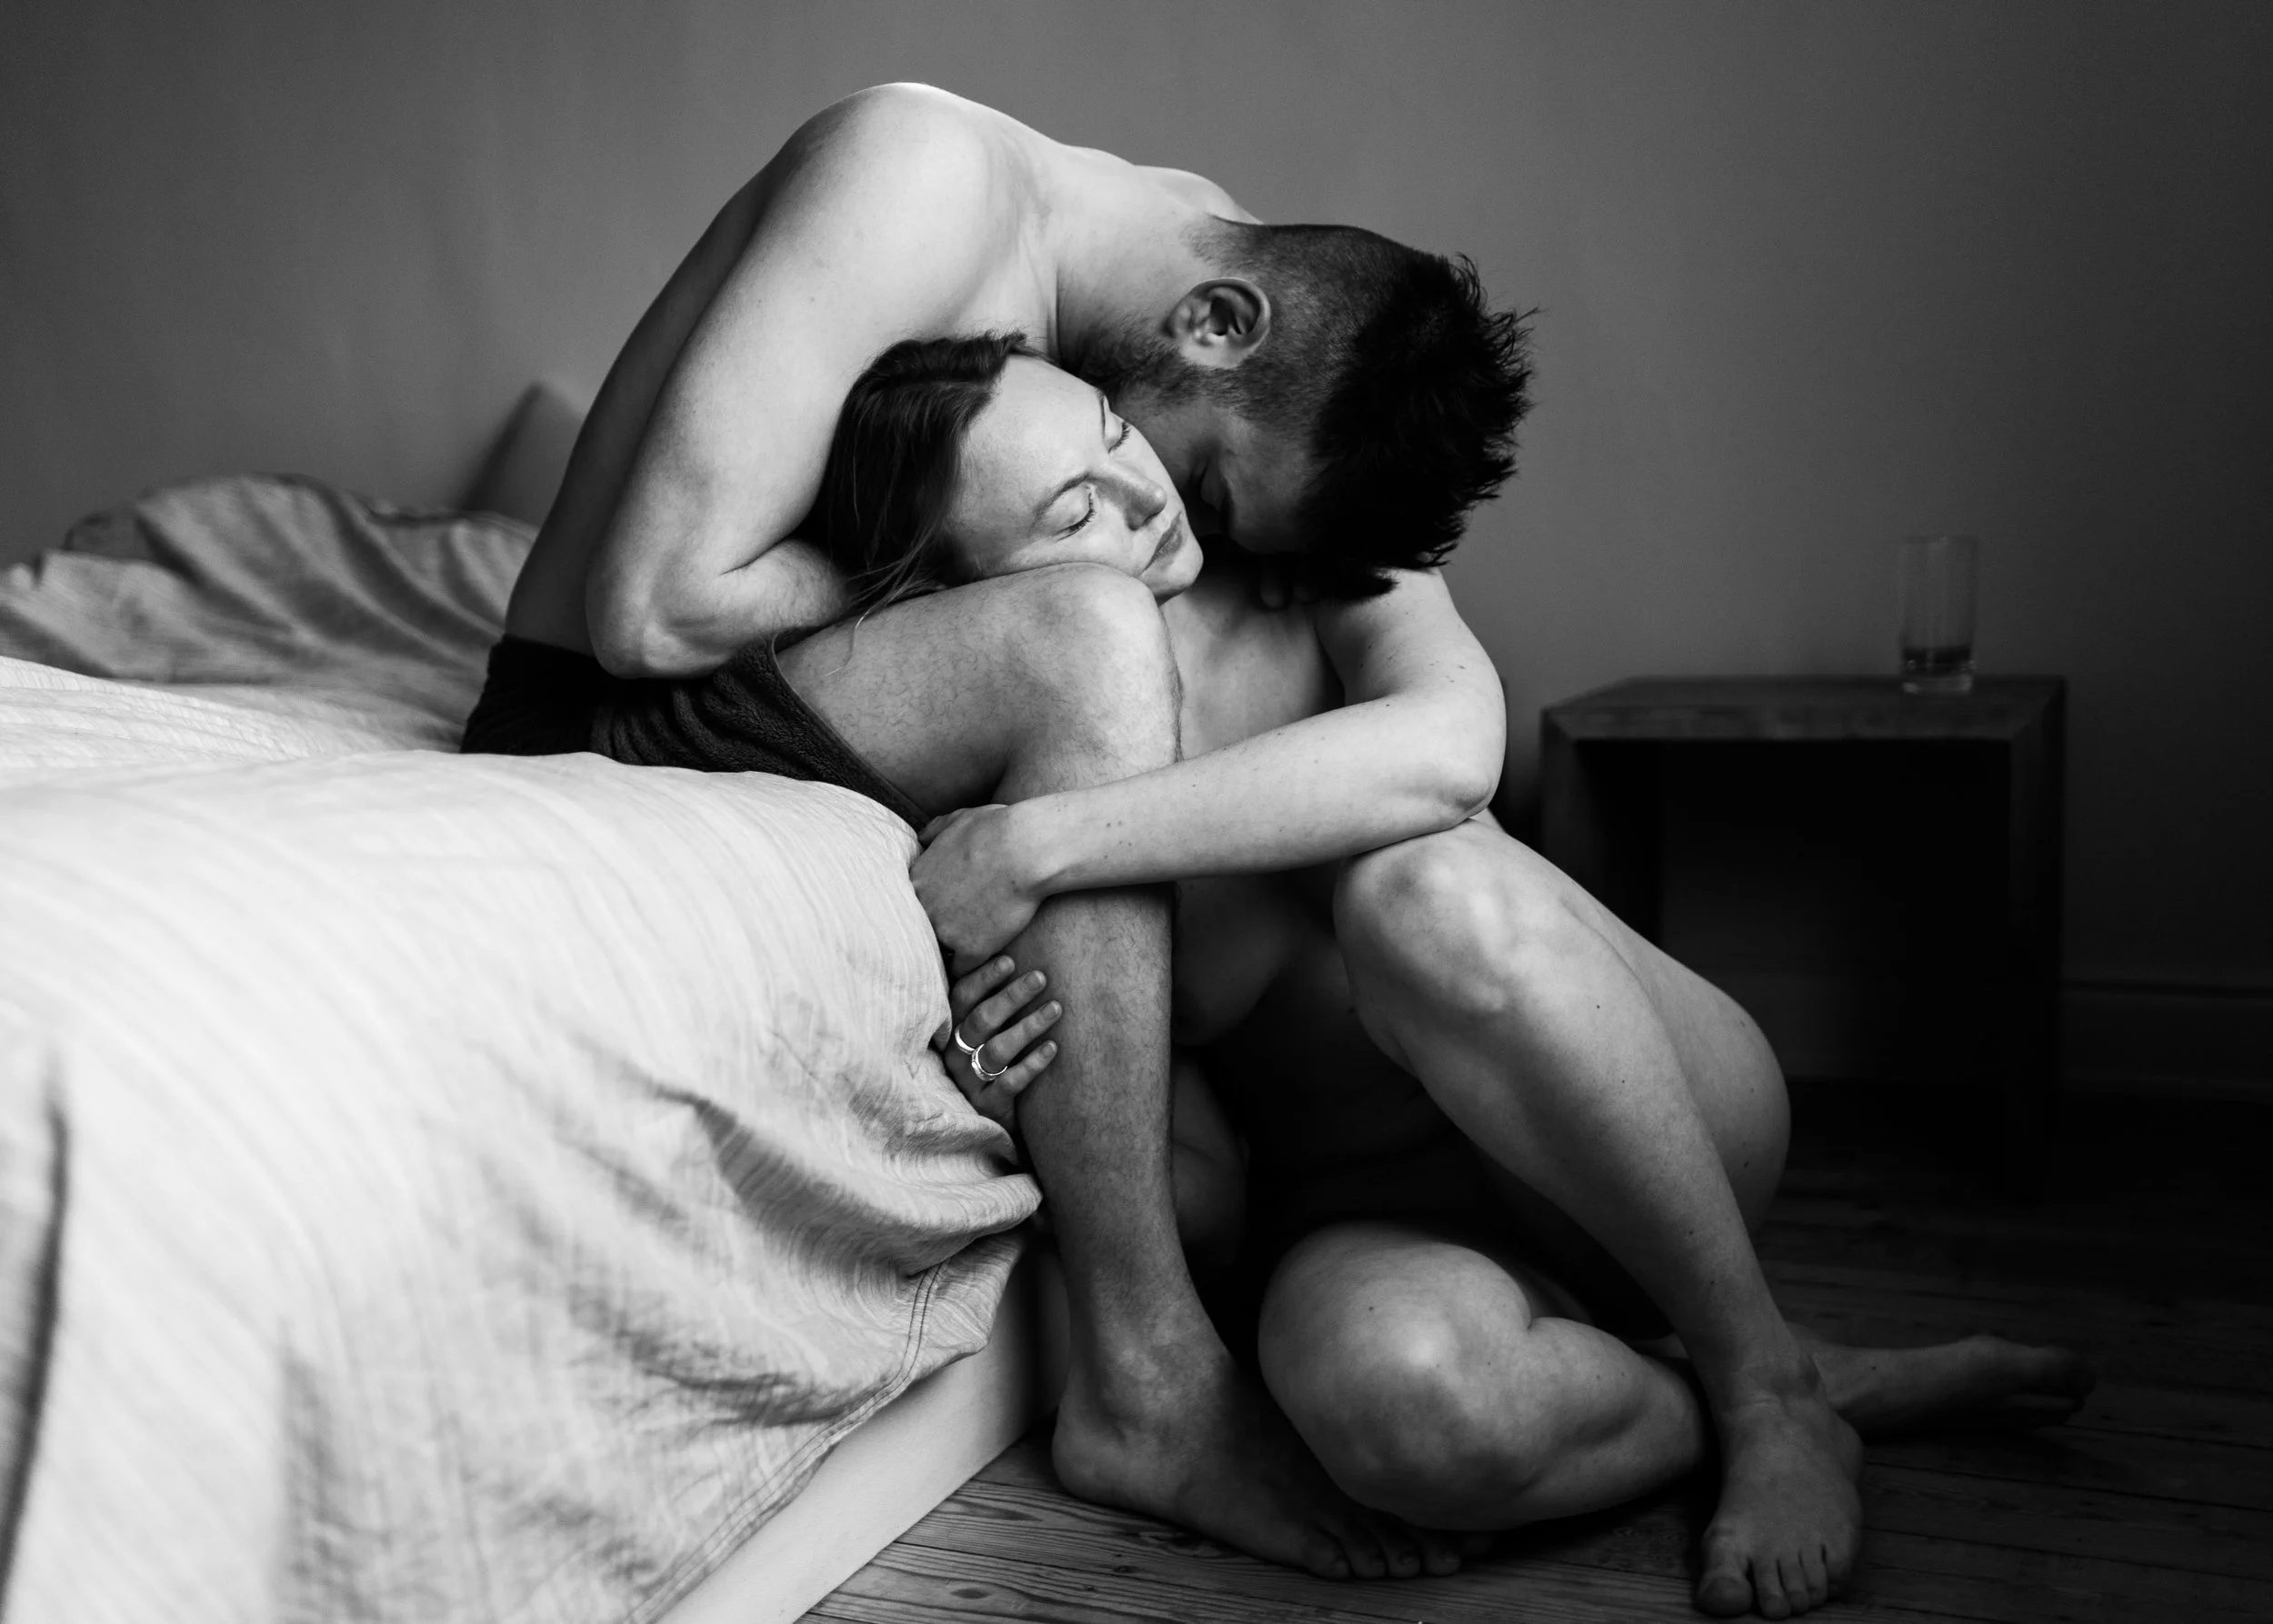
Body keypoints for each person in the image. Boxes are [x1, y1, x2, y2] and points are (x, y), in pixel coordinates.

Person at [476, 326, 2093, 1619]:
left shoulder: (1320, 561)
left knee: (1421, 892)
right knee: (1401, 1412)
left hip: (1647, 1106)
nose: (1138, 499)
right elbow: (1205, 1204)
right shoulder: (1014, 767)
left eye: (1114, 437)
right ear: (974, 601)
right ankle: (1779, 1383)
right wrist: (1006, 1083)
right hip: (1390, 1224)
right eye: (1070, 516)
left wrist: (1050, 843)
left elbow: (1448, 758)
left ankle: (1761, 1375)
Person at [475, 80, 1533, 1589]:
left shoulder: (1224, 281)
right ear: (1213, 325)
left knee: (1115, 621)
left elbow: (1443, 723)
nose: (1189, 531)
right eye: (1208, 484)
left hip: (796, 679)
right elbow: (651, 609)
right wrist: (976, 583)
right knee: (1087, 633)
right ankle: (1147, 1381)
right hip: (605, 704)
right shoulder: (919, 175)